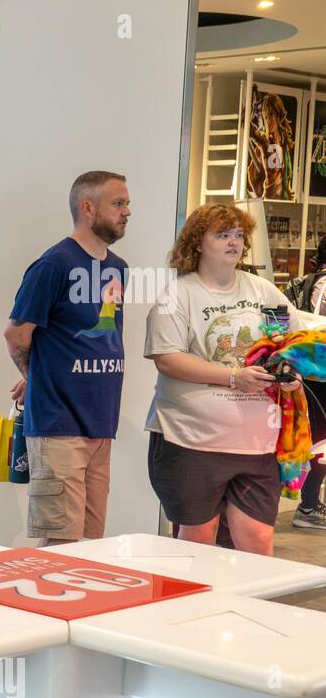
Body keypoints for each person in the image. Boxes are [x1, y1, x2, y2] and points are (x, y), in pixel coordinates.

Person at [144, 203, 301, 556]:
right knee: (199, 540)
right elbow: (167, 359)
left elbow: (287, 342)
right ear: (197, 242)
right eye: (222, 234)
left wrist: (291, 371)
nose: (233, 242)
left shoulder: (263, 292)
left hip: (256, 443)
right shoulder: (178, 294)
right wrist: (233, 377)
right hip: (193, 440)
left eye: (239, 235)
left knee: (258, 542)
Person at [3, 171, 131, 545]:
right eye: (118, 203)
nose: (127, 212)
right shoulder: (53, 264)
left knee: (91, 545)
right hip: (58, 426)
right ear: (87, 208)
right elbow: (16, 333)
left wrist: (38, 374)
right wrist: (37, 377)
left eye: (127, 204)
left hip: (101, 425)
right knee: (60, 546)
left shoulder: (118, 268)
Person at [284, 236, 326, 530]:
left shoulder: (302, 283)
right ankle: (308, 506)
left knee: (312, 438)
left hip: (305, 370)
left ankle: (309, 503)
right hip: (320, 372)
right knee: (320, 442)